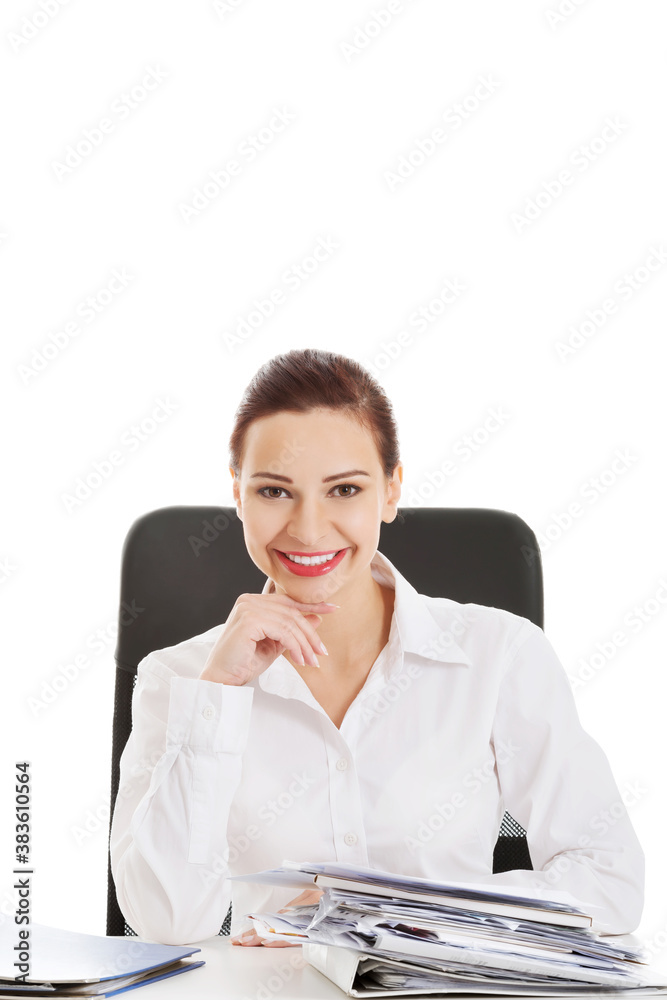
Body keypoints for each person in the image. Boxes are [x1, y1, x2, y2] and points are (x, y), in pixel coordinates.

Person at [110, 348, 644, 947]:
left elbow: (610, 880)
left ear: (390, 491)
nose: (309, 529)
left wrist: (388, 917)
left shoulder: (501, 656)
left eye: (344, 489)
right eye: (274, 492)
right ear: (238, 495)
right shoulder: (179, 679)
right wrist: (217, 699)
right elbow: (165, 922)